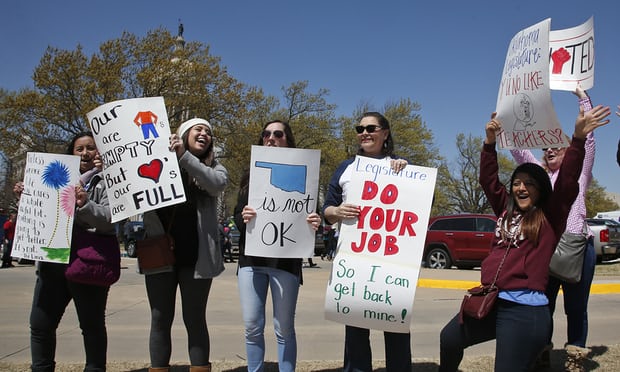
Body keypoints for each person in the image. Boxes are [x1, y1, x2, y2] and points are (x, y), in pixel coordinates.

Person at [439, 106, 611, 372]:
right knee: (449, 339)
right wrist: (489, 143)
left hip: (525, 311)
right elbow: (488, 180)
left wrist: (577, 139)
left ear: (541, 190)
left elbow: (567, 182)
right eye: (517, 182)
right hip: (492, 300)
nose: (521, 187)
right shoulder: (505, 211)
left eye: (529, 183)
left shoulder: (550, 218)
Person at [509, 89, 611, 371]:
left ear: (569, 150)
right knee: (544, 305)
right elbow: (519, 150)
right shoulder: (539, 177)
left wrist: (583, 98)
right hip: (547, 248)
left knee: (576, 309)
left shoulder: (578, 172)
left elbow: (588, 142)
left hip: (578, 249)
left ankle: (575, 356)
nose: (550, 149)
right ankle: (542, 352)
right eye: (546, 148)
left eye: (557, 146)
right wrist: (510, 113)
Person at [322, 111, 410, 372]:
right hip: (354, 259)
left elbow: (414, 207)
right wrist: (336, 212)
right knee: (356, 331)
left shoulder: (402, 167)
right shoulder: (346, 168)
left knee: (395, 328)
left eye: (371, 128)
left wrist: (406, 172)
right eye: (359, 129)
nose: (364, 133)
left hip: (393, 263)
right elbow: (326, 209)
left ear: (385, 133)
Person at [234, 120, 321, 372]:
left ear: (288, 139)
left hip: (285, 262)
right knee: (252, 325)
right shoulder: (251, 174)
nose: (271, 137)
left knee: (283, 328)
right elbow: (237, 216)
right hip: (251, 262)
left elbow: (313, 214)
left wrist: (316, 221)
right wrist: (244, 217)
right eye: (266, 134)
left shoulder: (306, 172)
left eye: (278, 133)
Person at [141, 118, 228, 372]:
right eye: (198, 129)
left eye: (208, 132)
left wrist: (184, 157)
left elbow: (215, 185)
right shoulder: (157, 163)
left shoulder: (216, 168)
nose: (204, 134)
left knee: (194, 318)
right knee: (159, 319)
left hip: (197, 257)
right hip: (158, 252)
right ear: (183, 134)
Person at [28, 131, 119, 372]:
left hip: (88, 262)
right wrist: (27, 197)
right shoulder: (54, 177)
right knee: (40, 324)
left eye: (91, 148)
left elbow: (111, 218)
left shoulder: (109, 181)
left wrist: (85, 205)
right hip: (53, 260)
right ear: (71, 153)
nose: (85, 153)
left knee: (92, 327)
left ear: (98, 153)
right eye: (80, 149)